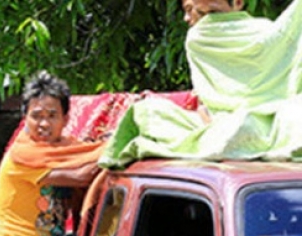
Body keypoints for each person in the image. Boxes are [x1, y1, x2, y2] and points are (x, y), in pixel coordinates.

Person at [101, 0, 302, 167]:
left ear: (238, 3)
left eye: (211, 13)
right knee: (146, 111)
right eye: (188, 10)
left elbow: (285, 37)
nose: (189, 19)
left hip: (259, 124)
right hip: (227, 126)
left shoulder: (266, 31)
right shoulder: (199, 39)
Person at [0, 71, 107, 236]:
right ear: (25, 117)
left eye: (52, 115)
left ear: (66, 119)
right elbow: (83, 174)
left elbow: (89, 153)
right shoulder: (23, 153)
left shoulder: (67, 148)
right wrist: (117, 146)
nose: (44, 123)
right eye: (37, 116)